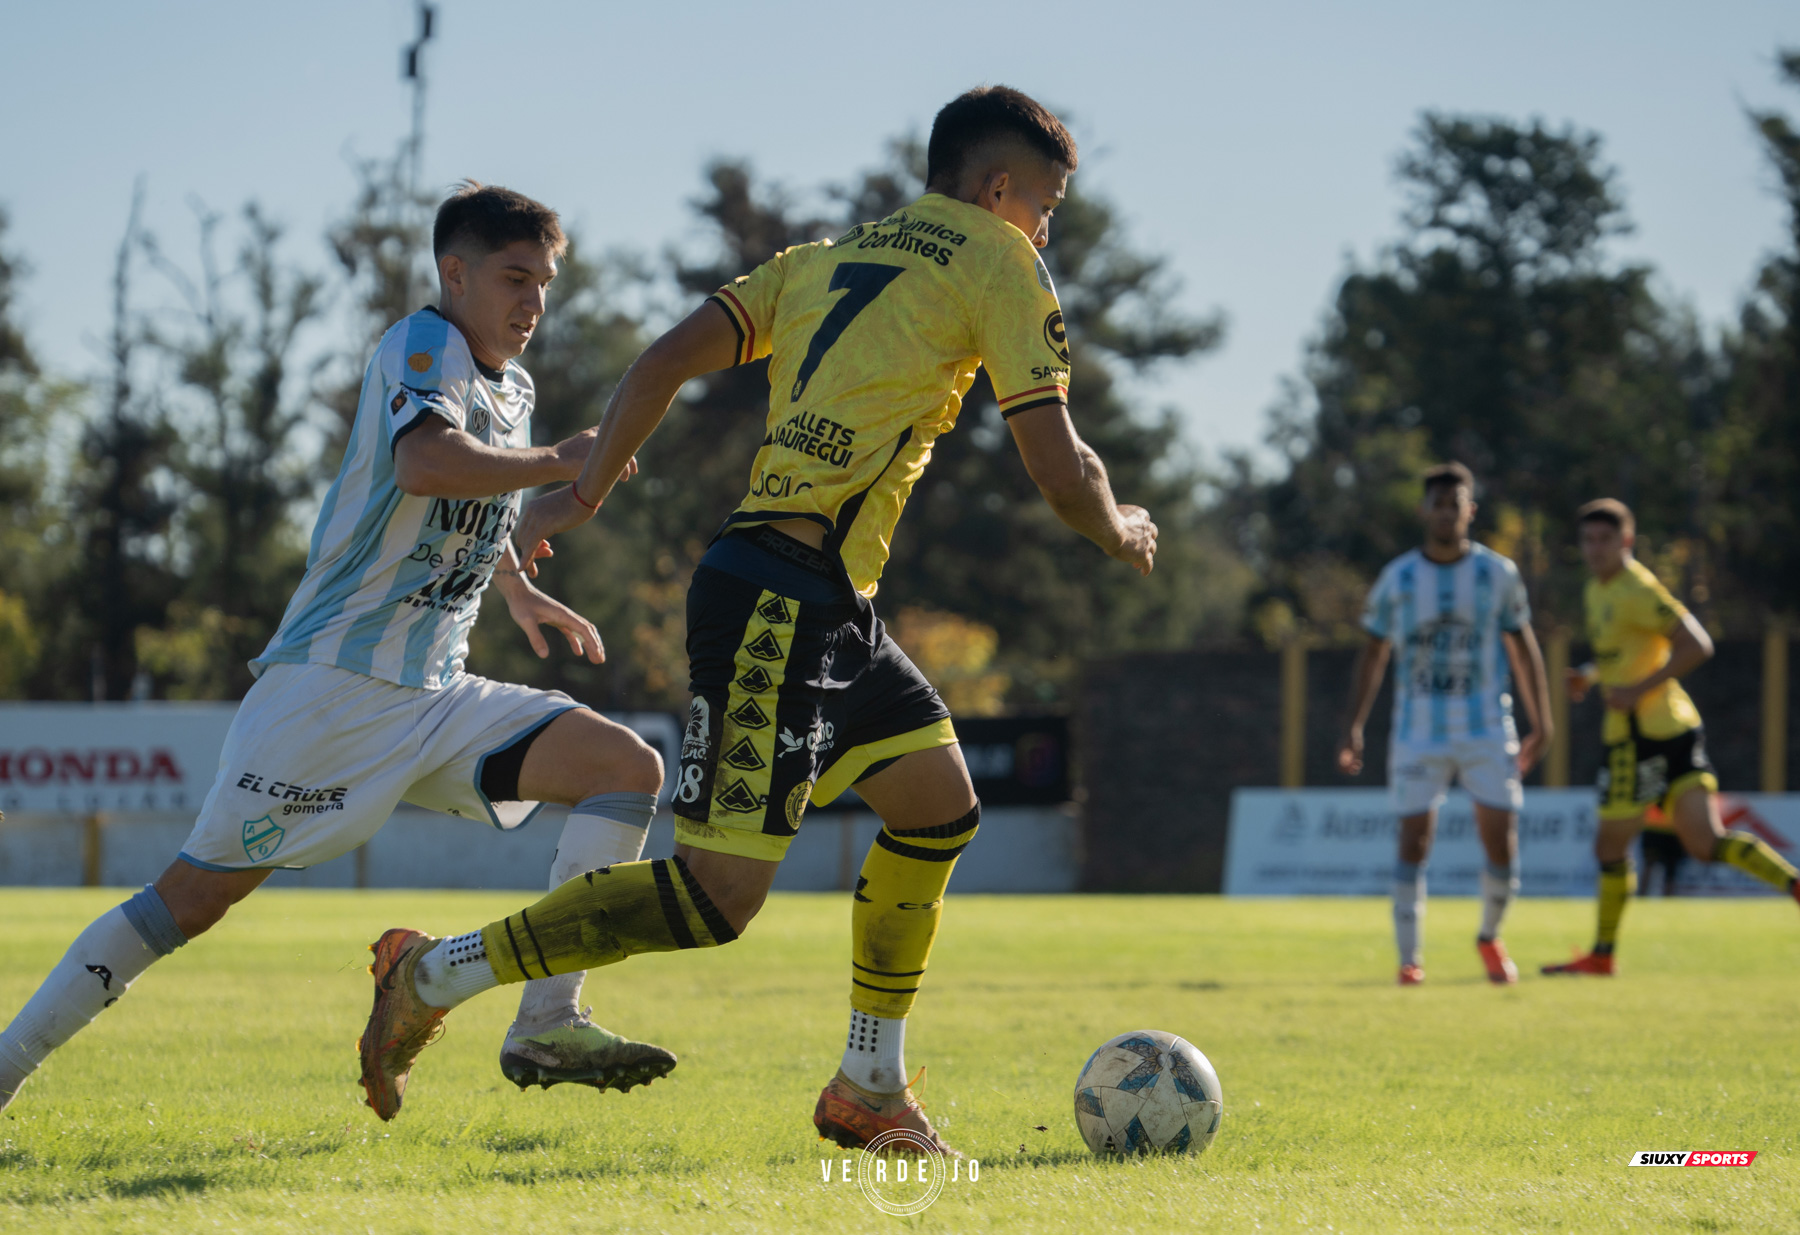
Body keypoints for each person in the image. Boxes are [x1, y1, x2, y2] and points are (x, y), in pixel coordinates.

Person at [351, 86, 1159, 1152]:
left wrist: (579, 493)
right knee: (716, 897)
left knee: (936, 805)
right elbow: (1059, 465)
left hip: (826, 601)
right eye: (1046, 204)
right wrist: (1116, 530)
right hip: (781, 595)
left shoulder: (821, 259)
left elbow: (660, 364)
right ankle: (432, 971)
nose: (1045, 229)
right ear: (997, 186)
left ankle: (869, 1084)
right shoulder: (999, 258)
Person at [0, 183, 677, 1117]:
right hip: (332, 689)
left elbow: (491, 512)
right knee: (185, 904)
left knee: (626, 767)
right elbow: (426, 464)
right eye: (516, 278)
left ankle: (545, 1018)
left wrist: (539, 553)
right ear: (455, 272)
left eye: (547, 283)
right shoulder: (424, 343)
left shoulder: (512, 390)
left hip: (436, 696)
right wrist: (566, 459)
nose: (534, 303)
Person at [1542, 498, 1800, 975]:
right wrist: (1591, 675)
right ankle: (1795, 885)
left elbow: (1697, 643)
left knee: (1609, 848)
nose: (1596, 548)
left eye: (1606, 540)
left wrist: (1636, 690)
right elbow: (1630, 652)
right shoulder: (1598, 591)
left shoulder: (1635, 587)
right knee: (1705, 843)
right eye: (1589, 540)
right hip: (1678, 727)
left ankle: (1602, 955)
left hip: (1641, 737)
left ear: (1627, 542)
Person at [1337, 463, 1553, 986]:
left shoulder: (1497, 574)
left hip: (1485, 726)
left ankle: (1489, 936)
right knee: (1414, 841)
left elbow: (1523, 650)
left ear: (1469, 511)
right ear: (1424, 511)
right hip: (1418, 732)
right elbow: (1373, 655)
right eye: (1437, 504)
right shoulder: (1399, 578)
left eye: (1455, 505)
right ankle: (1410, 959)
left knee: (1501, 840)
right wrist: (1354, 725)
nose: (1445, 513)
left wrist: (1541, 720)